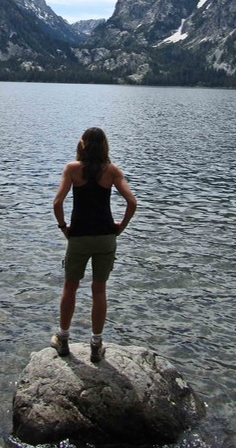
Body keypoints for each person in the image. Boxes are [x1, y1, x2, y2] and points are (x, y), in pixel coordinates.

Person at [51, 127, 137, 363]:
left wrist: (63, 228)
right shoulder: (111, 171)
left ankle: (63, 338)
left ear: (82, 145)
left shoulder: (72, 169)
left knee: (70, 287)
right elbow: (132, 202)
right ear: (105, 146)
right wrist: (120, 228)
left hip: (78, 237)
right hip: (105, 238)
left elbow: (57, 203)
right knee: (99, 290)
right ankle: (96, 344)